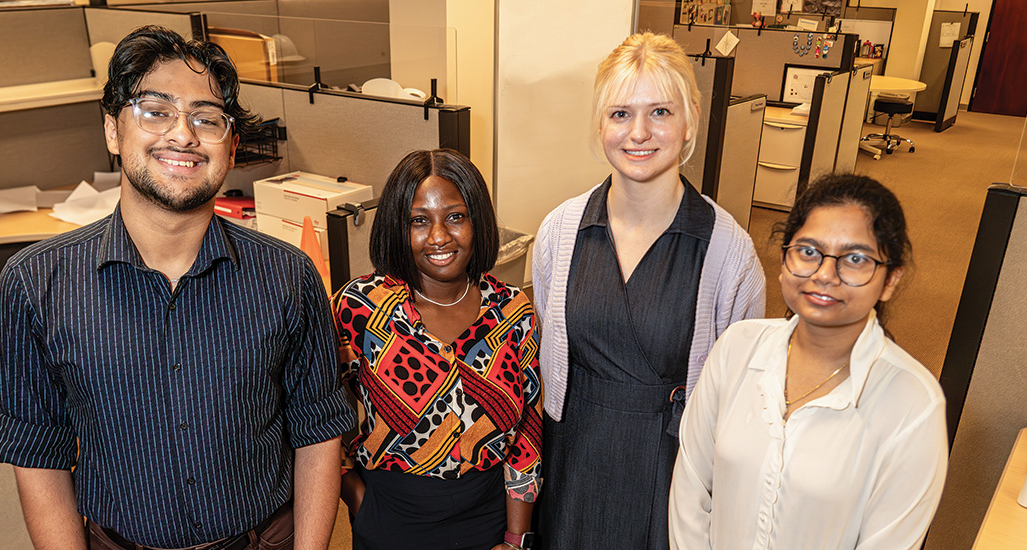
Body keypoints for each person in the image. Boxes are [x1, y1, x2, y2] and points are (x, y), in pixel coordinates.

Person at [0, 26, 354, 550]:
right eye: (156, 111)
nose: (183, 135)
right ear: (113, 129)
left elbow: (318, 431)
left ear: (231, 147)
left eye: (207, 119)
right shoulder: (33, 285)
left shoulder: (288, 277)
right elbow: (38, 452)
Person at [532, 32, 766, 548]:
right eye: (620, 114)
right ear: (600, 123)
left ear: (690, 121)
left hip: (672, 468)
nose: (638, 132)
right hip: (572, 458)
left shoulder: (730, 253)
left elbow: (743, 401)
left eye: (660, 111)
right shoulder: (560, 232)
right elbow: (547, 358)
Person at [669, 174, 948, 549]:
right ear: (784, 260)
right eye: (809, 251)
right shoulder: (737, 347)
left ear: (890, 280)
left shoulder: (913, 403)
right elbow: (690, 488)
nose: (824, 275)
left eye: (855, 259)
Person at [332, 149, 542, 550]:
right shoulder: (359, 306)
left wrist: (516, 539)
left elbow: (527, 433)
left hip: (488, 520)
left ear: (477, 220)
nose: (440, 236)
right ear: (398, 226)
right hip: (390, 519)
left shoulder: (512, 310)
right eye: (419, 220)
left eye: (456, 216)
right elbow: (321, 416)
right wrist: (358, 498)